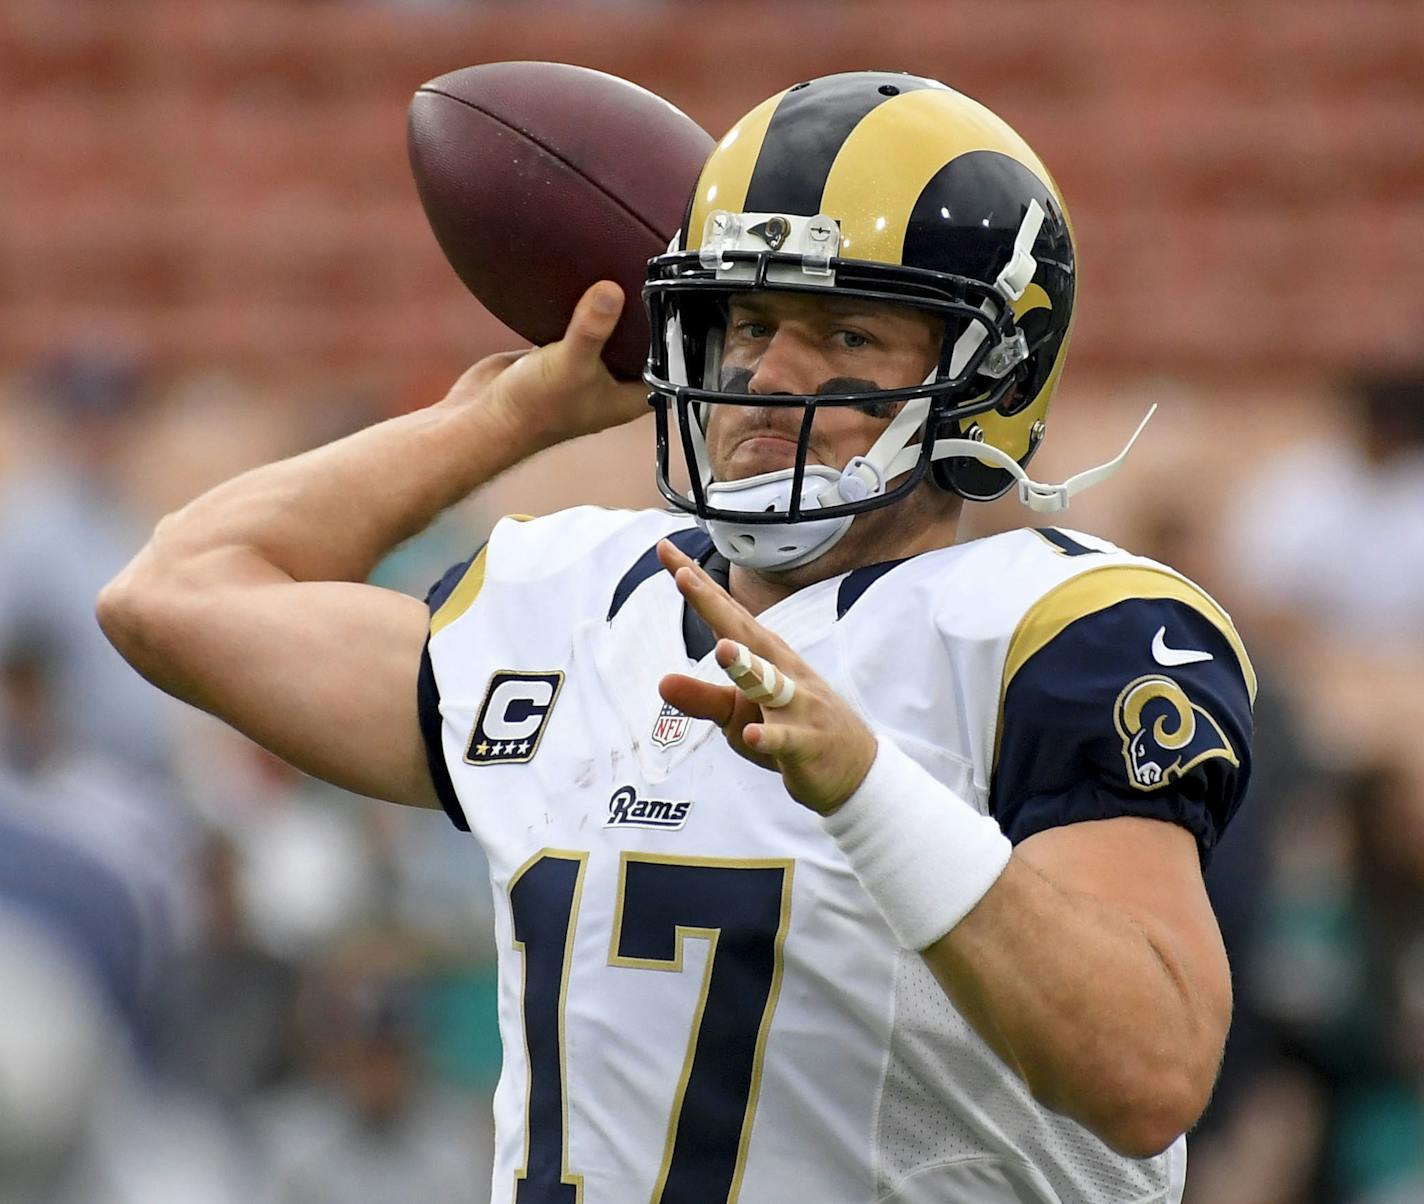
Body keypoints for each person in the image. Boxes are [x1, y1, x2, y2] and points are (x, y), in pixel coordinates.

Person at [98, 72, 1255, 1203]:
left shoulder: (1049, 628)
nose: (765, 375)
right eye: (747, 321)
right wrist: (501, 417)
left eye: (845, 334)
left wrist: (862, 786)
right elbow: (173, 595)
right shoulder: (579, 595)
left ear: (983, 375)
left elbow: (1143, 1074)